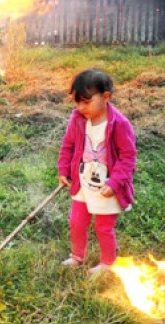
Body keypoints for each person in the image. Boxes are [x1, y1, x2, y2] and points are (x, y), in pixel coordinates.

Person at [57, 68, 137, 275]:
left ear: (106, 97)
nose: (81, 107)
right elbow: (68, 145)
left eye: (86, 101)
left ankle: (107, 263)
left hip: (107, 186)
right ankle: (77, 255)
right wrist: (64, 169)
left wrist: (115, 183)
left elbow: (128, 157)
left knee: (103, 227)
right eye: (77, 102)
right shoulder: (78, 119)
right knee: (76, 221)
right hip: (82, 180)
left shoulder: (119, 124)